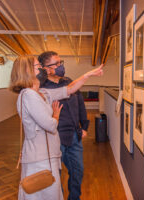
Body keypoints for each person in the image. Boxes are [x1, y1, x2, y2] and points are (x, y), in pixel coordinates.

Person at [9, 55, 103, 200]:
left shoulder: (41, 93)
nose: (41, 68)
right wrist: (56, 116)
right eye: (37, 66)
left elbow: (69, 89)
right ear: (28, 70)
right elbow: (50, 125)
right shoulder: (28, 95)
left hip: (48, 155)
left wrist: (87, 75)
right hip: (39, 158)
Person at [38, 51, 89, 200]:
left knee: (78, 171)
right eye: (56, 64)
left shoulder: (69, 82)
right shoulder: (41, 89)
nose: (61, 67)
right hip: (54, 138)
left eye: (61, 63)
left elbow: (80, 106)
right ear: (46, 68)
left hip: (74, 136)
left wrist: (84, 127)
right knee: (55, 176)